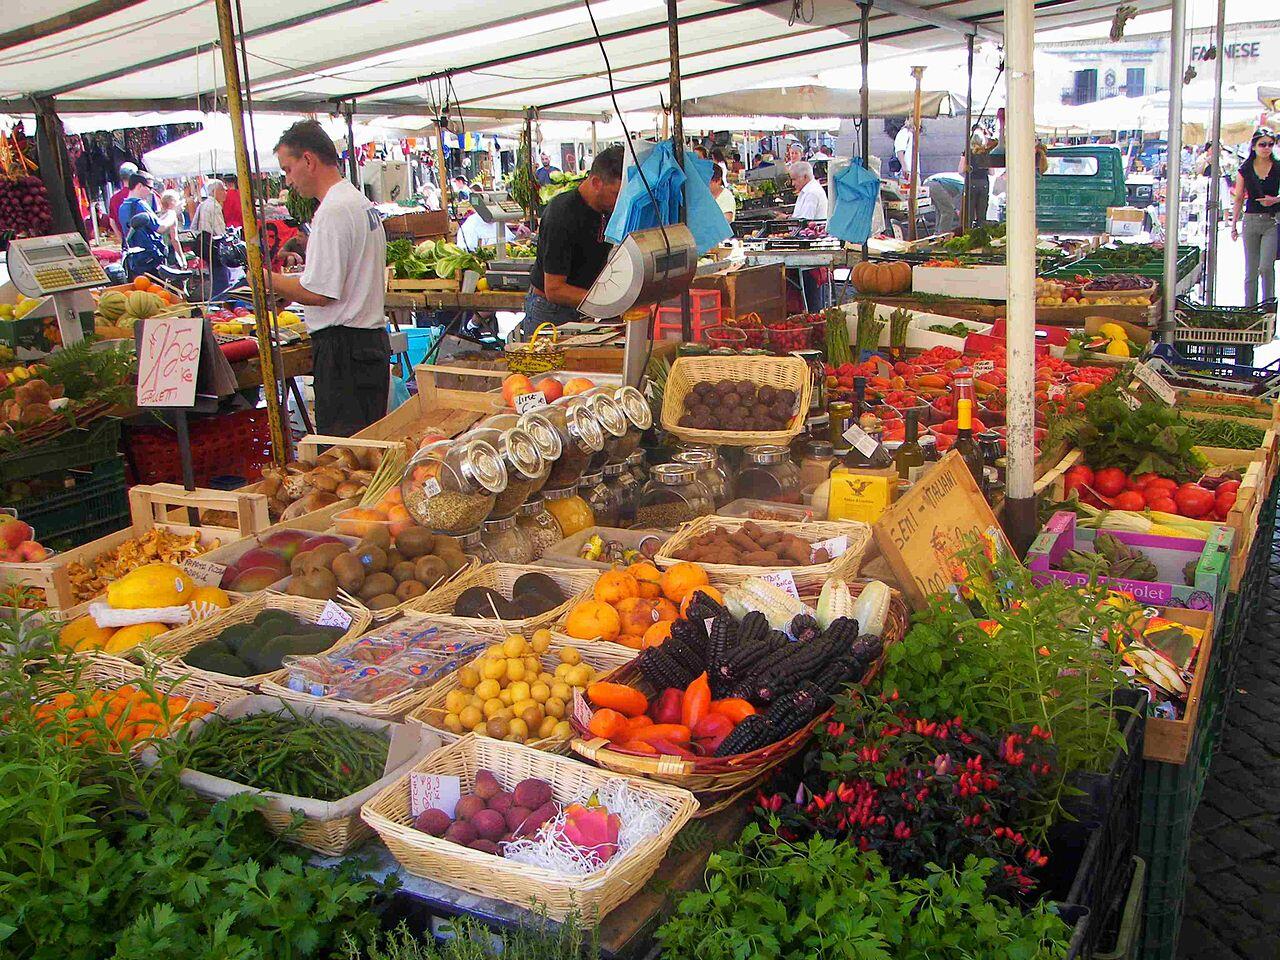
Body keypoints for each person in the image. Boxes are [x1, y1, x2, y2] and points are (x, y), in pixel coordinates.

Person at [268, 120, 389, 437]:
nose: (288, 180)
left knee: (344, 455)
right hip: (366, 344)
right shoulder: (358, 202)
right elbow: (346, 270)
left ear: (308, 160)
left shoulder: (333, 211)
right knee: (366, 450)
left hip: (344, 350)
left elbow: (321, 293)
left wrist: (268, 280)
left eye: (288, 169)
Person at [523, 145, 624, 334]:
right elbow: (554, 290)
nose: (619, 201)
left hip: (582, 308)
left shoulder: (606, 211)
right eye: (616, 194)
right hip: (550, 313)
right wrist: (608, 301)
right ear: (595, 182)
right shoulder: (562, 214)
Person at [1230, 128, 1279, 307]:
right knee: (1250, 271)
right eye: (1263, 144)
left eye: (1270, 144)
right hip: (1250, 220)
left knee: (1266, 267)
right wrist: (1233, 224)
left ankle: (1268, 310)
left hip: (1271, 221)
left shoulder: (1278, 167)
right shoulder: (1245, 169)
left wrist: (1275, 200)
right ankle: (1249, 311)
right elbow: (1238, 197)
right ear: (1254, 146)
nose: (1266, 148)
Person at [119, 173, 176, 279]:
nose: (151, 192)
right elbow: (161, 228)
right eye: (149, 188)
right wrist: (172, 214)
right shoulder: (140, 204)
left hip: (136, 260)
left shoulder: (123, 206)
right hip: (150, 259)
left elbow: (151, 223)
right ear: (139, 186)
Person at [191, 180, 231, 297]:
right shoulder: (214, 206)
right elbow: (220, 231)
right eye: (223, 189)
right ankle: (219, 304)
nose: (226, 192)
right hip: (215, 247)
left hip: (206, 246)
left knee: (216, 278)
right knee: (222, 280)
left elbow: (194, 226)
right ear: (214, 192)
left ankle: (216, 303)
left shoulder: (203, 204)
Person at [156, 190, 187, 268]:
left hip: (157, 249)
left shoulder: (156, 215)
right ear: (172, 203)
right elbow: (174, 239)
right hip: (169, 250)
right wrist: (182, 257)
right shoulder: (171, 216)